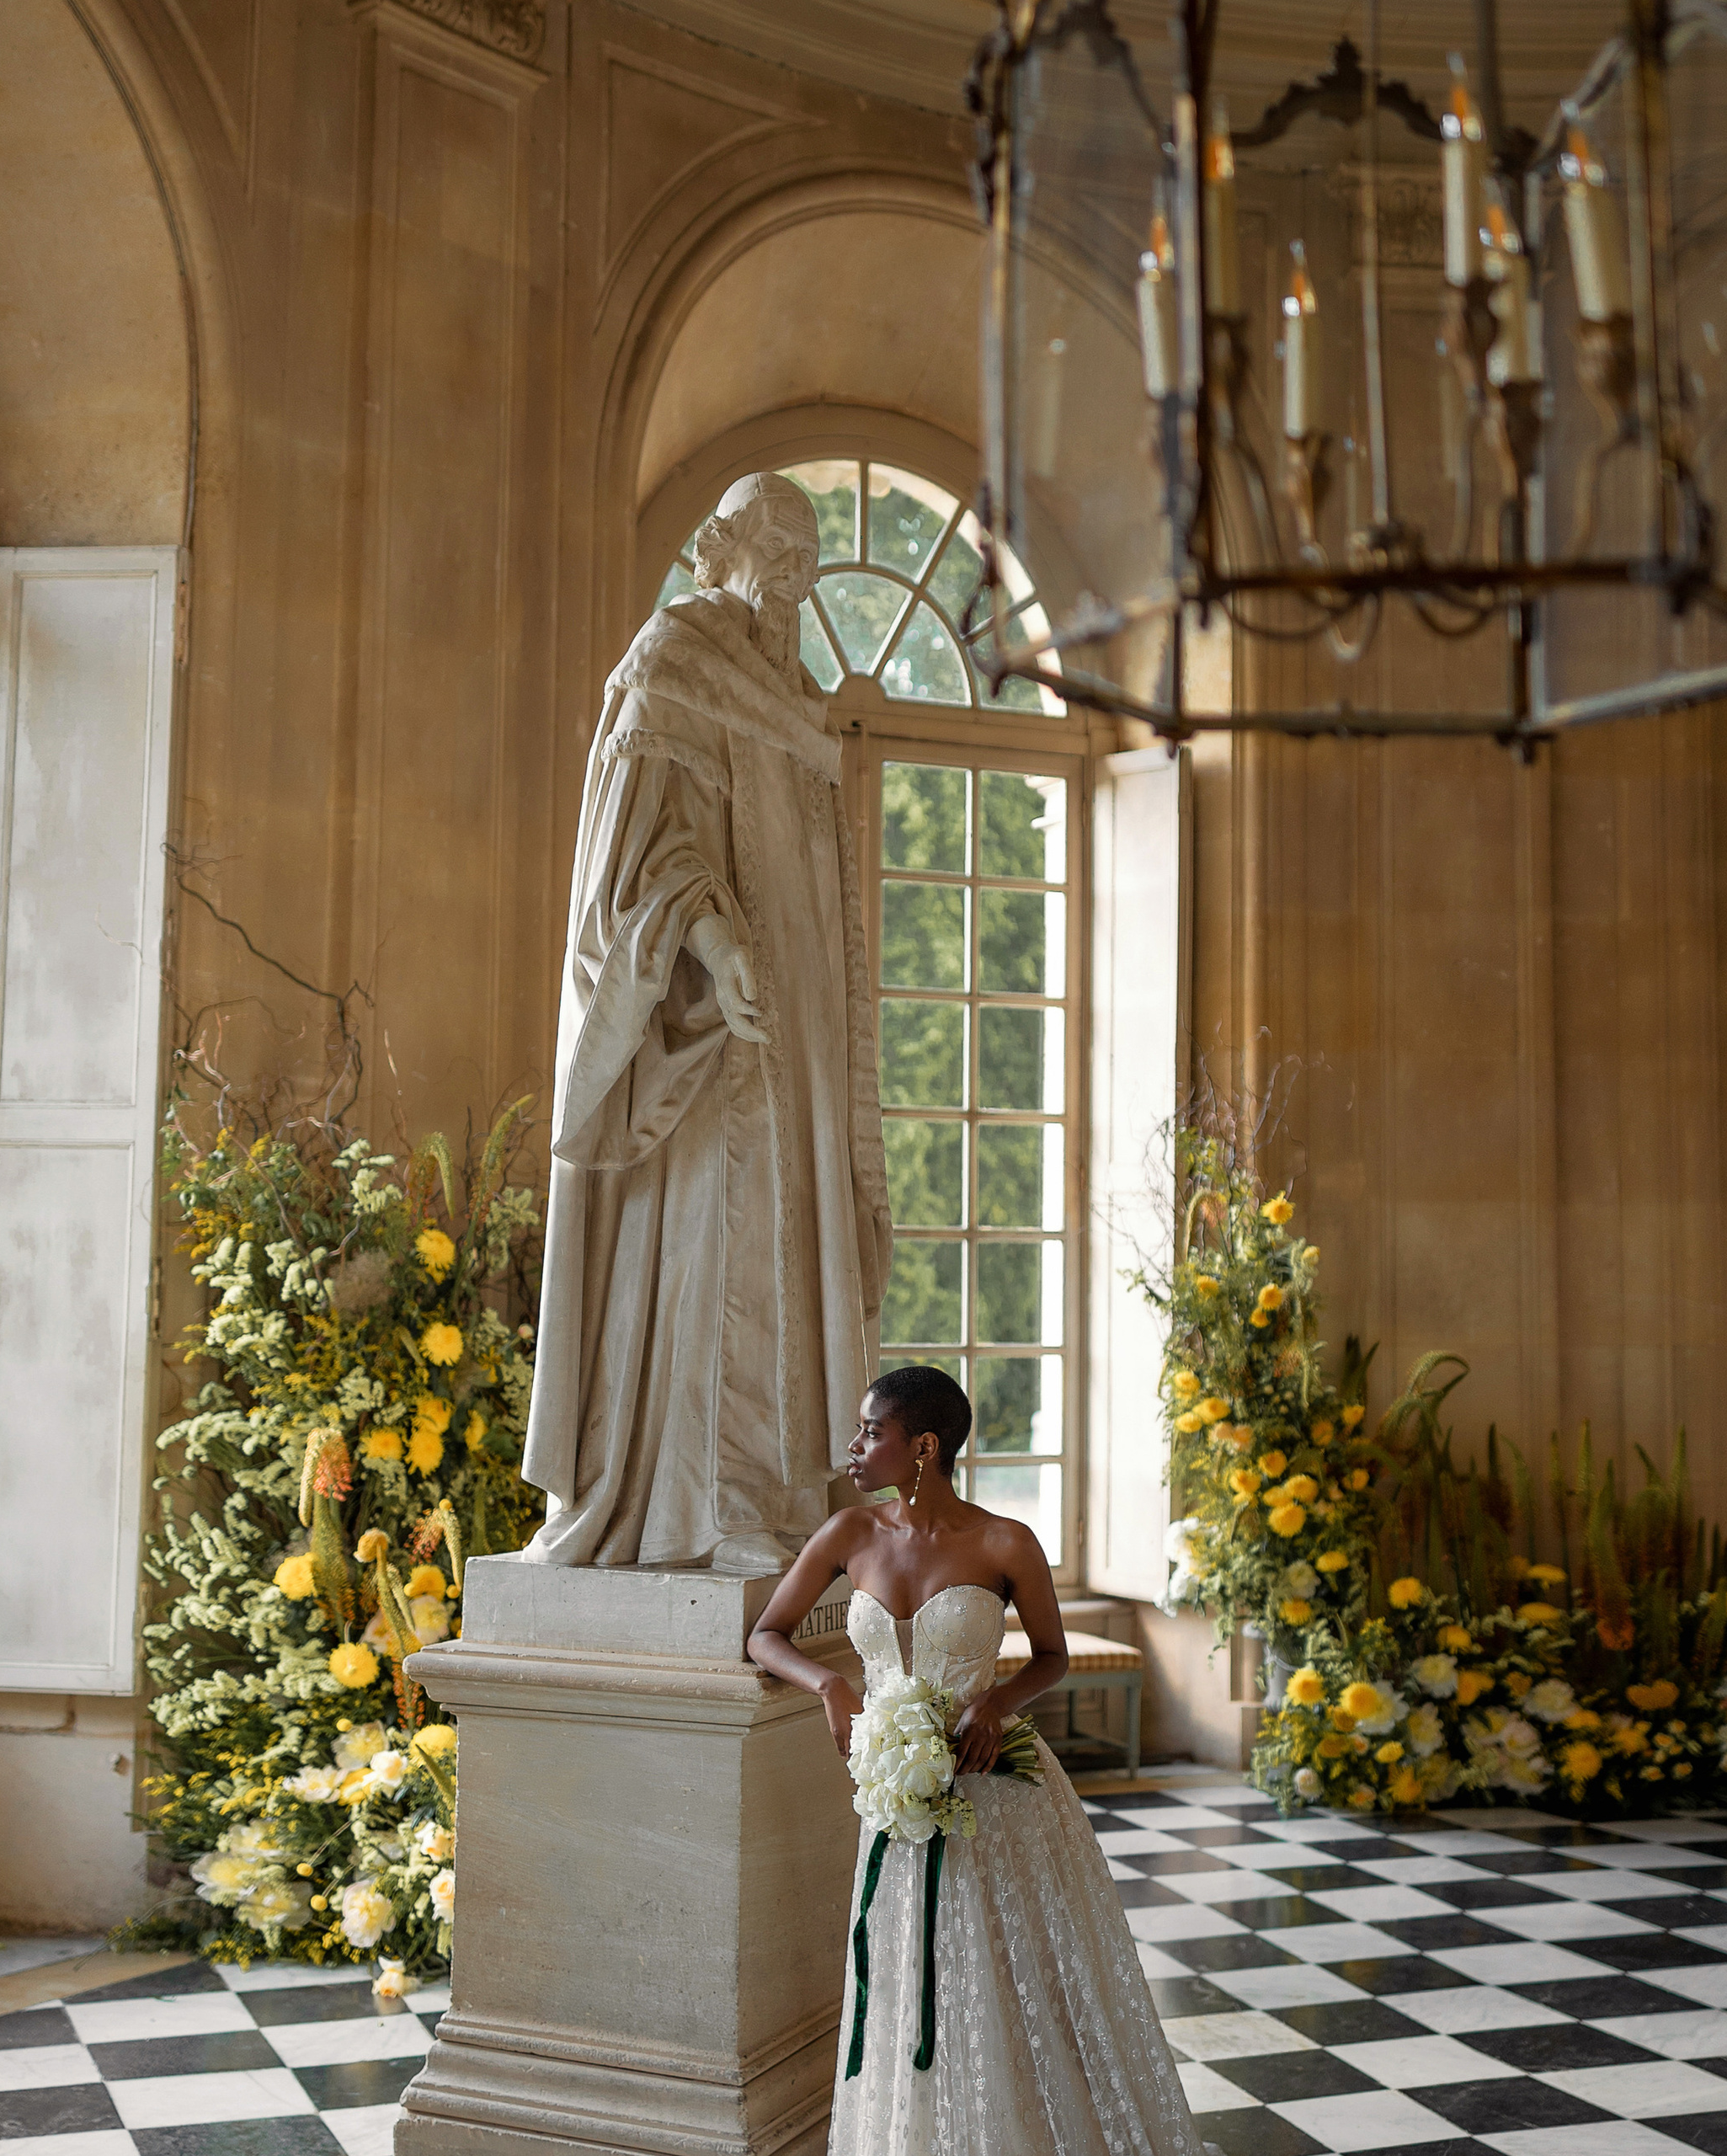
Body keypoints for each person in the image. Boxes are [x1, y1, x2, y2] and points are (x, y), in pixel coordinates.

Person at [520, 471, 890, 1576]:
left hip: (794, 1056)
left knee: (784, 1246)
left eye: (807, 556)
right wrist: (718, 946)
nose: (795, 574)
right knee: (712, 1253)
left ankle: (780, 1500)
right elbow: (634, 857)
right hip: (701, 1047)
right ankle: (700, 1508)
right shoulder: (670, 664)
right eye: (779, 548)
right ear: (717, 546)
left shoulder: (792, 700)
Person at [749, 1365, 1207, 2156]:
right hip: (893, 1801)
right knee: (907, 1972)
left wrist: (996, 1701)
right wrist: (828, 1684)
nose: (855, 1447)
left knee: (1001, 1973)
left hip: (994, 1792)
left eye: (872, 1432)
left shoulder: (1005, 1541)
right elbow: (765, 1634)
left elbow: (1054, 1655)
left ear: (924, 1446)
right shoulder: (850, 1535)